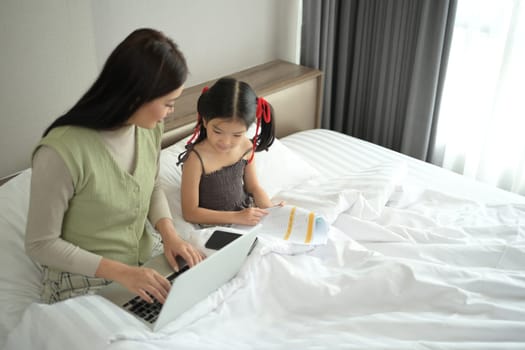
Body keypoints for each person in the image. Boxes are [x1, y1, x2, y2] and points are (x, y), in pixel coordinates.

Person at [25, 28, 204, 305]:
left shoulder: (148, 128)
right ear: (136, 96)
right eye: (168, 103)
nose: (171, 112)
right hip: (84, 279)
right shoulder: (60, 152)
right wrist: (124, 273)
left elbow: (151, 185)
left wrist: (170, 235)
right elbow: (40, 244)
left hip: (146, 263)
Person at [178, 77, 281, 227]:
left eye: (237, 135)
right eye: (218, 132)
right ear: (205, 121)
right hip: (215, 224)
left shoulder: (246, 146)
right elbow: (190, 212)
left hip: (244, 214)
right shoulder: (196, 159)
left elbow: (253, 187)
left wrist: (270, 209)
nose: (226, 142)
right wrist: (236, 217)